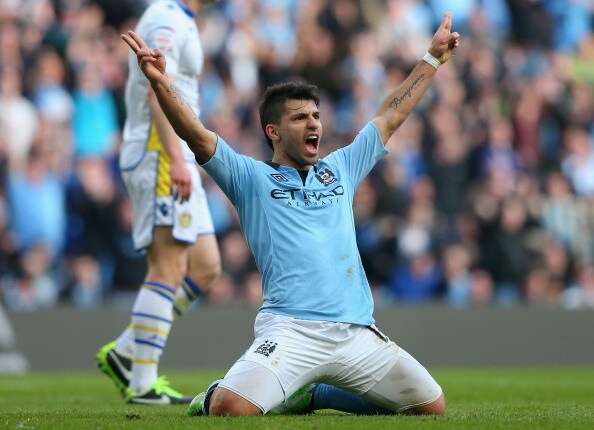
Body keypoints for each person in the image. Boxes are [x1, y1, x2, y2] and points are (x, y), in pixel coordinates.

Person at [121, 12, 460, 416]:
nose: (313, 123)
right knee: (231, 409)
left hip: (356, 332)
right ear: (273, 132)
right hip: (290, 330)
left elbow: (390, 115)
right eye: (299, 117)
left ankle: (316, 394)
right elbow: (195, 133)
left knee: (430, 407)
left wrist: (433, 59)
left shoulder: (341, 169)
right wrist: (162, 83)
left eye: (315, 115)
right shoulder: (250, 176)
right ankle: (216, 391)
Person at [96, 0, 221, 405]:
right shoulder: (167, 18)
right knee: (168, 266)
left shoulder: (179, 17)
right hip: (161, 151)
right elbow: (157, 85)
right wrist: (173, 157)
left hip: (174, 151)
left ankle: (128, 350)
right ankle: (142, 383)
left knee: (205, 266)